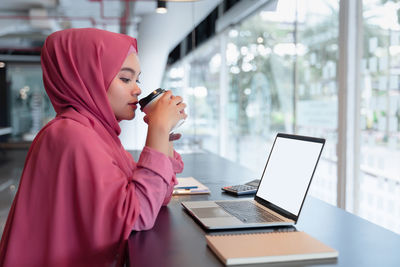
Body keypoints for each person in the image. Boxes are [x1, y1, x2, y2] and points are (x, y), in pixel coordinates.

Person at [0, 28, 187, 267]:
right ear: (87, 77)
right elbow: (137, 217)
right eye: (125, 78)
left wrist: (165, 138)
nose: (138, 89)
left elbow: (157, 197)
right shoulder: (72, 135)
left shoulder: (98, 132)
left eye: (137, 79)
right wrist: (158, 130)